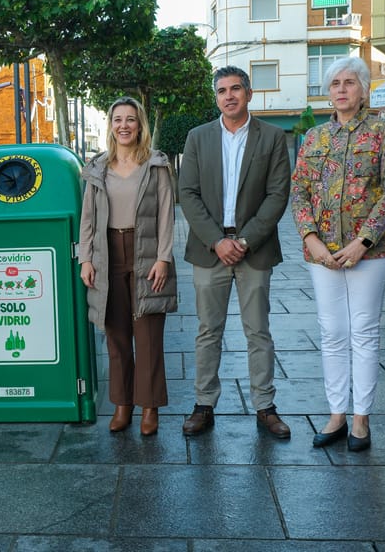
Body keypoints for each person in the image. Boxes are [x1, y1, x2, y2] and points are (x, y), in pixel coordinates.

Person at [290, 57, 385, 452]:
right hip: (321, 253)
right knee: (332, 332)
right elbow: (298, 190)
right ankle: (336, 414)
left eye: (349, 82)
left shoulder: (384, 132)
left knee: (364, 332)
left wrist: (363, 241)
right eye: (334, 82)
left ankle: (360, 420)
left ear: (363, 88)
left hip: (371, 252)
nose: (340, 89)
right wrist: (312, 240)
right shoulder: (315, 138)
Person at [178, 66, 292, 439]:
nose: (229, 96)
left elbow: (278, 195)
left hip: (253, 250)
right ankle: (203, 404)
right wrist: (217, 240)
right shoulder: (197, 138)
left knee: (258, 331)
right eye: (222, 90)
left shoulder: (272, 138)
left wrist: (243, 242)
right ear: (216, 97)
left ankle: (265, 406)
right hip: (209, 248)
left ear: (249, 93)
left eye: (236, 89)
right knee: (208, 331)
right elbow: (188, 194)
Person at [79, 96, 177, 436]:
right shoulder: (97, 168)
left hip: (147, 252)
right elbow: (88, 217)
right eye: (117, 119)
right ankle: (122, 405)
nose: (124, 125)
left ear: (140, 125)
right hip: (108, 255)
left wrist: (164, 257)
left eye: (130, 119)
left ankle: (149, 407)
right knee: (116, 336)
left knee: (148, 336)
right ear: (111, 125)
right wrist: (86, 258)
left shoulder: (156, 164)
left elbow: (167, 213)